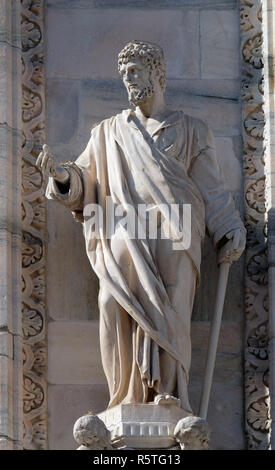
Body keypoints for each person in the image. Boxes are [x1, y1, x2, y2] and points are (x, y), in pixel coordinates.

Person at [37, 40, 246, 414]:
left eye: (135, 71)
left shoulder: (191, 130)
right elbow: (86, 179)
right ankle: (124, 398)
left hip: (176, 230)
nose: (128, 79)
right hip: (124, 231)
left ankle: (169, 395)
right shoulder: (109, 131)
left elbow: (212, 188)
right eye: (124, 74)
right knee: (109, 301)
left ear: (156, 72)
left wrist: (228, 226)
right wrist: (61, 175)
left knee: (172, 304)